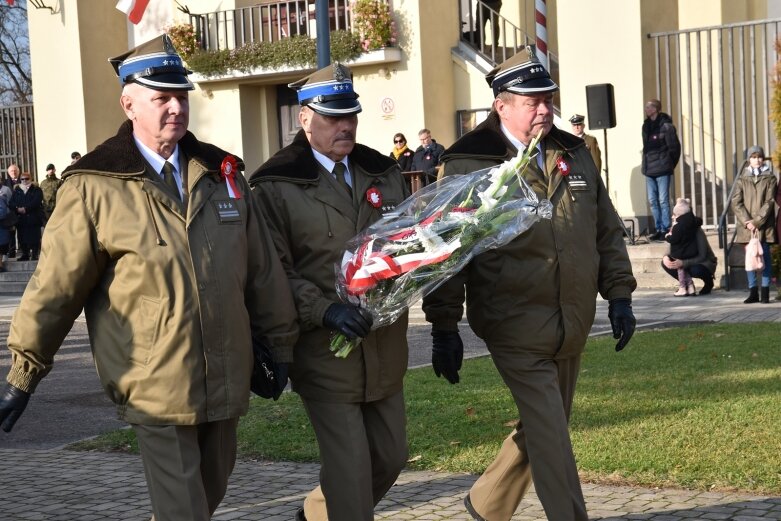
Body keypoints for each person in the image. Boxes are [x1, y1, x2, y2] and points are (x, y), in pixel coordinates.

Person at [0, 34, 299, 521]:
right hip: (152, 378)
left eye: (181, 96)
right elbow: (55, 287)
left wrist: (280, 344)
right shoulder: (94, 185)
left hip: (224, 374)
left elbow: (261, 270)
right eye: (161, 98)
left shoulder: (221, 172)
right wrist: (24, 372)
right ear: (129, 103)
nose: (176, 108)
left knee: (210, 490)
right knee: (185, 510)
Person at [421, 46, 637, 521]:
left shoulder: (574, 151)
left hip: (571, 317)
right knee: (553, 437)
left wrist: (618, 293)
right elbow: (447, 252)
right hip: (512, 319)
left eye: (548, 99)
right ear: (501, 105)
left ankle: (487, 504)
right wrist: (443, 326)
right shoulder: (467, 163)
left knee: (545, 425)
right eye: (531, 101)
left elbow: (604, 227)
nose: (544, 109)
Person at [249, 62, 410, 521]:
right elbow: (273, 273)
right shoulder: (276, 184)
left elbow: (407, 240)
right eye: (333, 116)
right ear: (305, 118)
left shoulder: (382, 171)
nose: (345, 126)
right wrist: (325, 310)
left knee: (391, 456)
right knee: (351, 473)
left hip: (383, 345)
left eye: (351, 115)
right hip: (325, 350)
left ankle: (316, 514)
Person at [731, 145, 777, 304]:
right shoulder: (742, 179)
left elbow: (770, 201)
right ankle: (753, 292)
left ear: (763, 159)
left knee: (764, 259)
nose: (756, 160)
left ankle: (765, 292)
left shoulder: (770, 178)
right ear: (748, 159)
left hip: (764, 226)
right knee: (750, 259)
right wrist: (747, 222)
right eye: (753, 157)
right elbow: (736, 202)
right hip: (747, 228)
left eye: (759, 157)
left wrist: (757, 221)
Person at [642, 99, 681, 241]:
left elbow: (675, 148)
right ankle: (658, 228)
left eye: (648, 107)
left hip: (662, 169)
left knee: (663, 200)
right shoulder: (645, 126)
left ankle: (666, 228)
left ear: (655, 109)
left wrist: (669, 164)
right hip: (649, 170)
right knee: (652, 200)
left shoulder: (666, 126)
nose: (646, 109)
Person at [661, 226, 717, 296]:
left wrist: (683, 263)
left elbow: (702, 256)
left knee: (696, 270)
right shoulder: (676, 229)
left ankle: (709, 282)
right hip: (685, 260)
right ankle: (687, 284)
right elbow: (671, 248)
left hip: (703, 262)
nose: (672, 217)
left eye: (675, 216)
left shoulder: (697, 230)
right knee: (666, 263)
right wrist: (665, 257)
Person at [665, 197, 700, 296]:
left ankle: (682, 287)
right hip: (690, 252)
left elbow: (674, 239)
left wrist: (667, 237)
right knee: (683, 269)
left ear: (679, 214)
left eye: (674, 215)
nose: (673, 217)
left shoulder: (678, 226)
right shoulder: (692, 223)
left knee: (680, 270)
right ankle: (691, 287)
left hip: (680, 252)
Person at [9, 171, 44, 260]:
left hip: (33, 217)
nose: (24, 180)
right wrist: (17, 209)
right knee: (22, 237)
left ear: (30, 179)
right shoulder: (17, 190)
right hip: (21, 219)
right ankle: (25, 254)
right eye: (22, 179)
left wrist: (26, 209)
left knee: (34, 237)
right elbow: (11, 202)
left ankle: (35, 254)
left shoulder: (36, 189)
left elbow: (37, 201)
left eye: (27, 178)